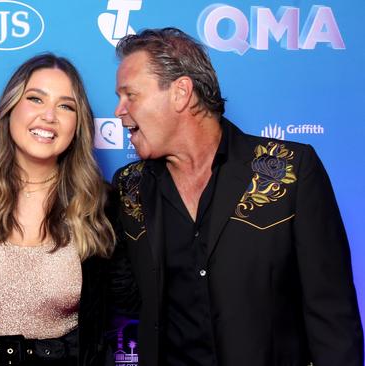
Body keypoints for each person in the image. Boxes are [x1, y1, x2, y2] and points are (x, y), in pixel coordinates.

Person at [109, 27, 363, 366]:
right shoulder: (130, 186)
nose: (118, 110)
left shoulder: (289, 170)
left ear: (181, 92)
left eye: (130, 95)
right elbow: (121, 294)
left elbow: (332, 319)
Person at [0, 53, 115, 366]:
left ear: (78, 124)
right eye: (35, 98)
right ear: (10, 109)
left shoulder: (101, 204)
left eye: (66, 106)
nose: (49, 116)